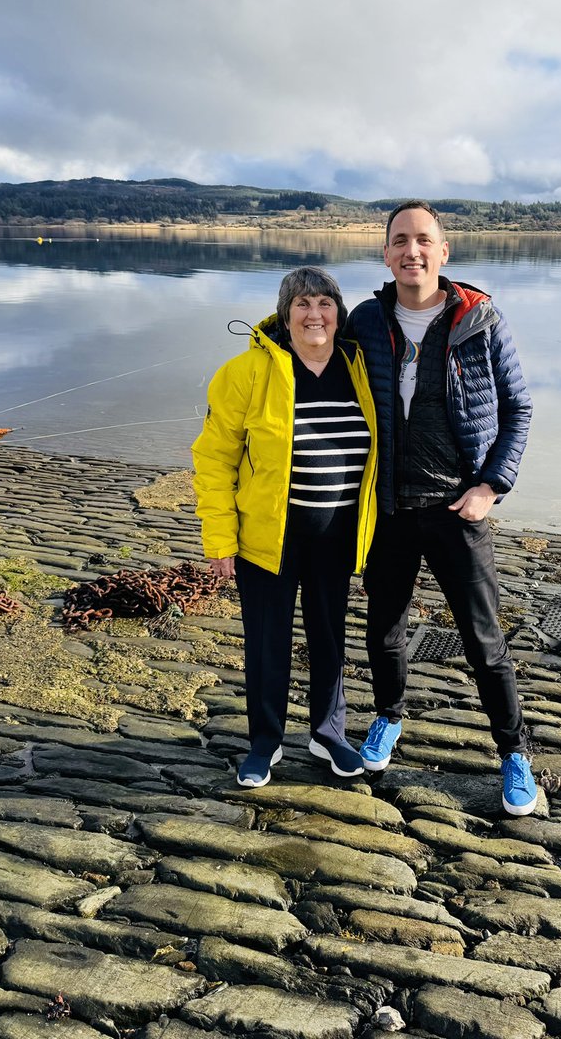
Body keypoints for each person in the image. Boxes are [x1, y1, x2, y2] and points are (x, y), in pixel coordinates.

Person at [346, 200, 537, 816]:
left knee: (484, 641)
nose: (412, 251)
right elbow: (312, 357)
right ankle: (387, 718)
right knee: (385, 629)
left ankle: (514, 754)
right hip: (390, 510)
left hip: (457, 508)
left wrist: (490, 486)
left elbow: (519, 410)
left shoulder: (481, 320)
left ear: (443, 251)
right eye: (400, 241)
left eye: (423, 240)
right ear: (386, 253)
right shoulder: (367, 322)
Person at [192, 267, 377, 787]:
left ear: (338, 313)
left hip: (338, 535)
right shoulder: (245, 372)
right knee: (267, 642)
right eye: (303, 304)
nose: (314, 314)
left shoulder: (360, 368)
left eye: (324, 303)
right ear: (284, 314)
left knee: (330, 638)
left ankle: (328, 733)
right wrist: (219, 538)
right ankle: (265, 741)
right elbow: (213, 459)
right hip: (267, 538)